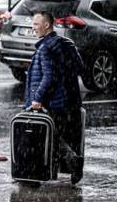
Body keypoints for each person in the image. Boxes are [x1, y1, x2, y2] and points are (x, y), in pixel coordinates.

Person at [24, 11, 85, 184]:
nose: (33, 27)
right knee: (61, 135)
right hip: (69, 100)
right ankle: (55, 172)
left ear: (47, 25)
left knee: (48, 137)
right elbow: (79, 68)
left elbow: (49, 77)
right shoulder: (67, 44)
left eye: (36, 24)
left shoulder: (45, 48)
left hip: (51, 103)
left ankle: (72, 161)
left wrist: (38, 98)